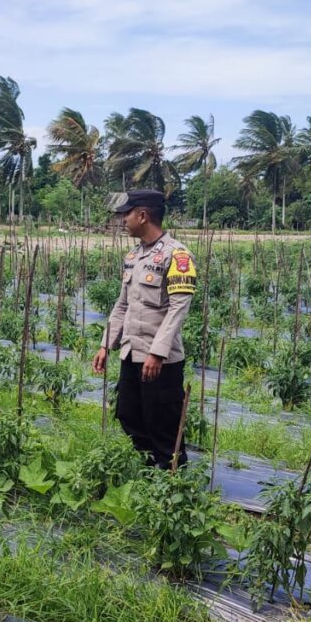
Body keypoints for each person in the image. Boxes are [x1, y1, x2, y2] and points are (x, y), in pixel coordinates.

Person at [91, 189, 197, 468]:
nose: (123, 220)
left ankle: (172, 484)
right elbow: (123, 303)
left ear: (143, 215)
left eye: (126, 213)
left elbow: (178, 309)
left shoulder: (177, 255)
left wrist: (157, 353)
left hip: (160, 361)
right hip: (131, 354)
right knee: (128, 414)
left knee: (162, 424)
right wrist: (106, 344)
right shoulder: (133, 256)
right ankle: (149, 473)